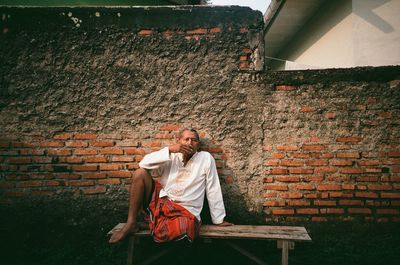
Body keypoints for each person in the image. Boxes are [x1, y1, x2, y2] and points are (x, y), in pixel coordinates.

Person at [109, 128, 232, 244]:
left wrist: (218, 220)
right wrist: (170, 150)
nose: (190, 143)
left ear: (198, 145)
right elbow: (143, 164)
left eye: (194, 140)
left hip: (186, 211)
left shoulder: (205, 158)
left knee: (185, 227)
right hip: (163, 204)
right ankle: (131, 223)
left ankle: (151, 223)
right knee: (139, 173)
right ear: (179, 142)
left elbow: (213, 188)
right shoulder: (170, 156)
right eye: (186, 139)